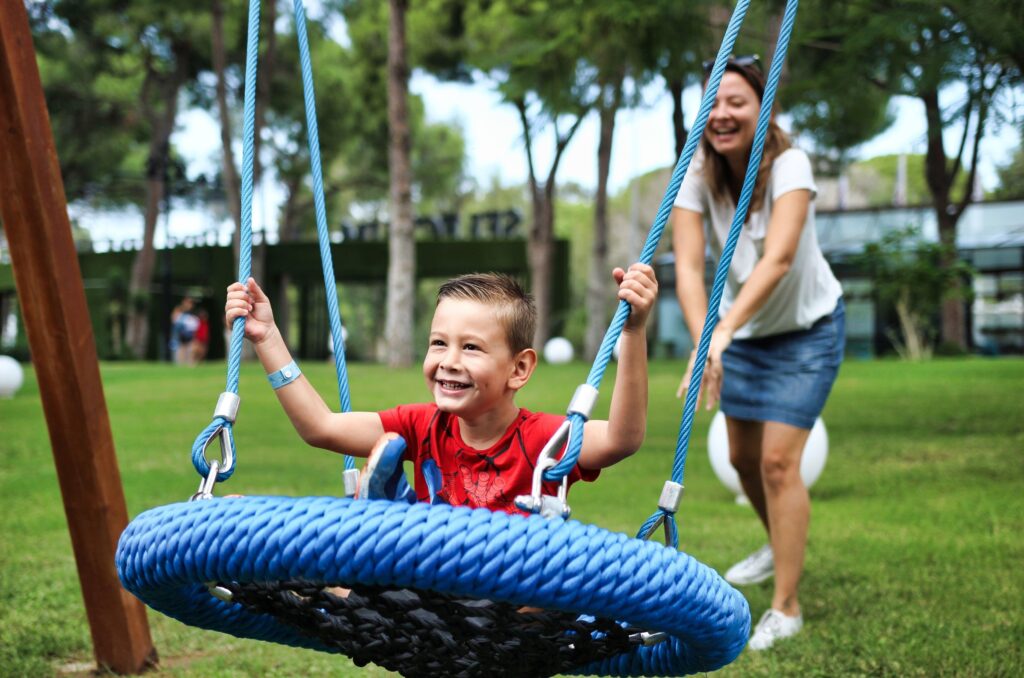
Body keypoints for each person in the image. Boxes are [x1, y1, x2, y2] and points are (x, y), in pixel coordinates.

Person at [224, 267, 657, 515]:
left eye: (470, 347)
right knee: (342, 576)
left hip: (511, 604)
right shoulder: (419, 426)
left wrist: (633, 333)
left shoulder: (545, 441)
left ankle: (387, 514)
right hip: (432, 599)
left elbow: (622, 439)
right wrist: (268, 338)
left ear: (519, 368)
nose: (448, 361)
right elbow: (321, 427)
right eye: (438, 343)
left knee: (545, 584)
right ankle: (266, 540)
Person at [671, 55, 845, 651]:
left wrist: (722, 332)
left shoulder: (790, 164)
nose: (722, 114)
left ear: (763, 109)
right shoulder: (696, 171)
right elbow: (690, 269)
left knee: (776, 463)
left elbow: (779, 259)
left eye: (737, 102)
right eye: (713, 103)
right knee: (744, 462)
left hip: (807, 331)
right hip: (741, 335)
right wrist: (705, 343)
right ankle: (779, 543)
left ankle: (787, 605)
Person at [170, 297, 199, 366]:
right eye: (187, 302)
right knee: (180, 357)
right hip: (180, 337)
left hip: (190, 336)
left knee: (190, 355)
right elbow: (174, 320)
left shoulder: (193, 312)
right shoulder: (179, 310)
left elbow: (195, 325)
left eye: (190, 303)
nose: (189, 305)